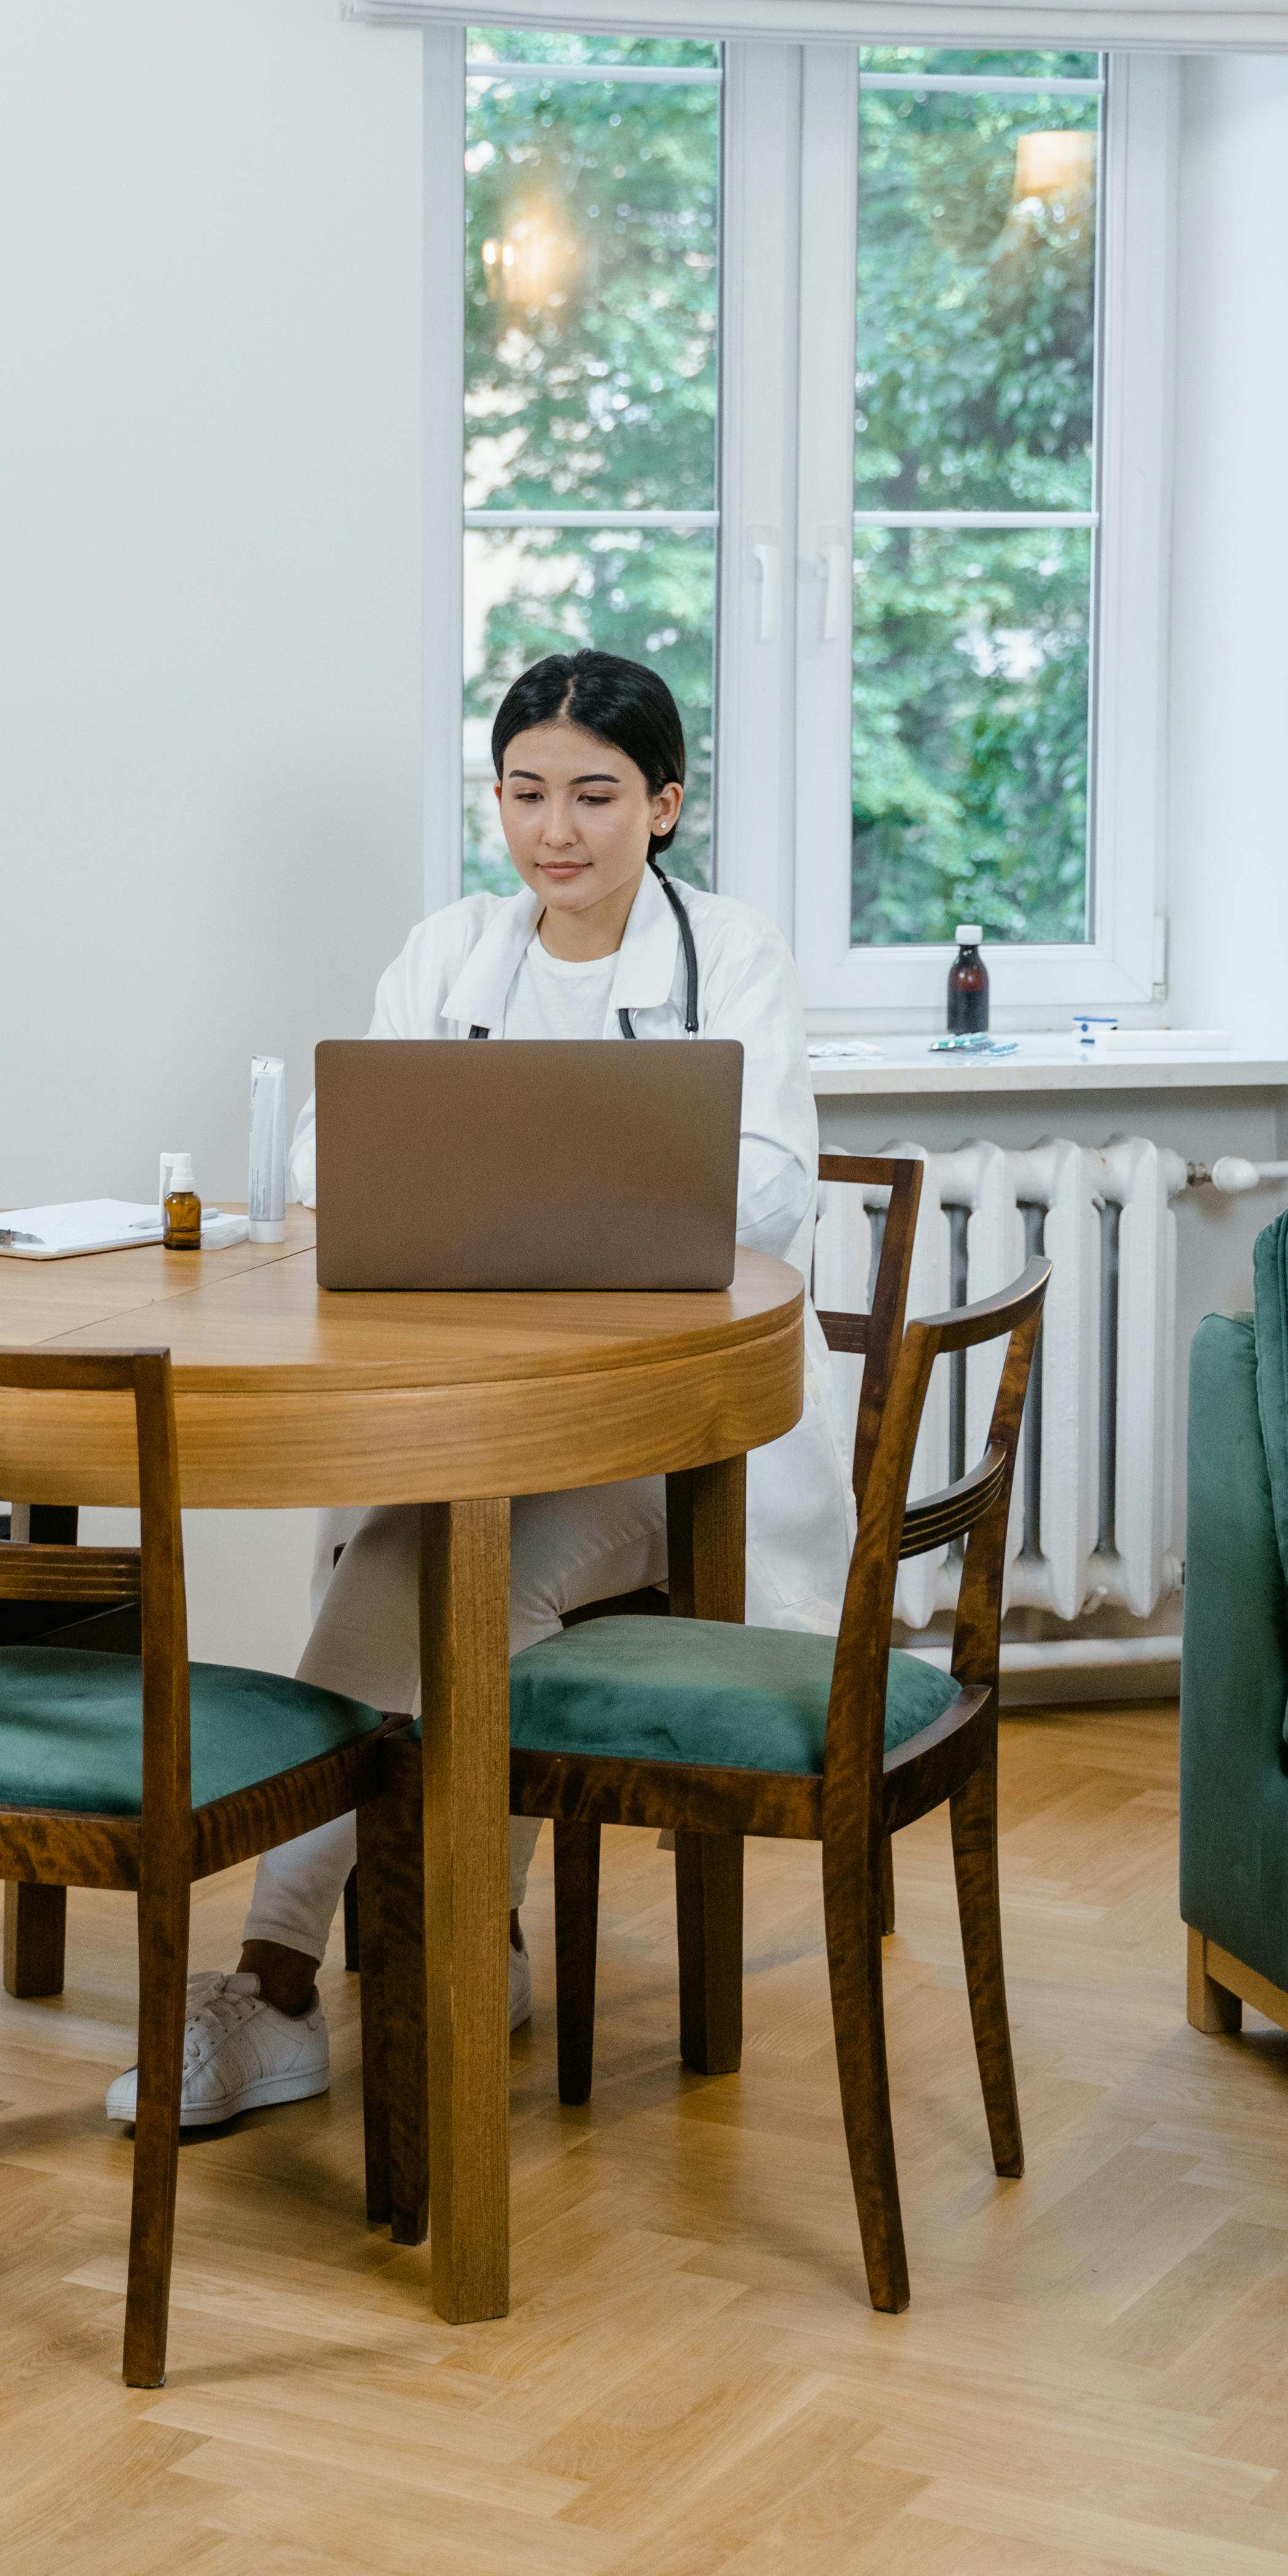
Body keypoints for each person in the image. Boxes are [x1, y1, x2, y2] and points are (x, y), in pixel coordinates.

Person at [107, 649, 854, 2135]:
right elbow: (338, 1160)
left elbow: (767, 1201)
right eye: (523, 792)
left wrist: (505, 1180)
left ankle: (292, 1975)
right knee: (421, 1560)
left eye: (592, 793)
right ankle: (425, 1946)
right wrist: (600, 1179)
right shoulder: (449, 950)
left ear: (664, 802)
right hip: (470, 1418)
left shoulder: (737, 955)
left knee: (442, 1574)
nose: (553, 830)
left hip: (669, 1445)